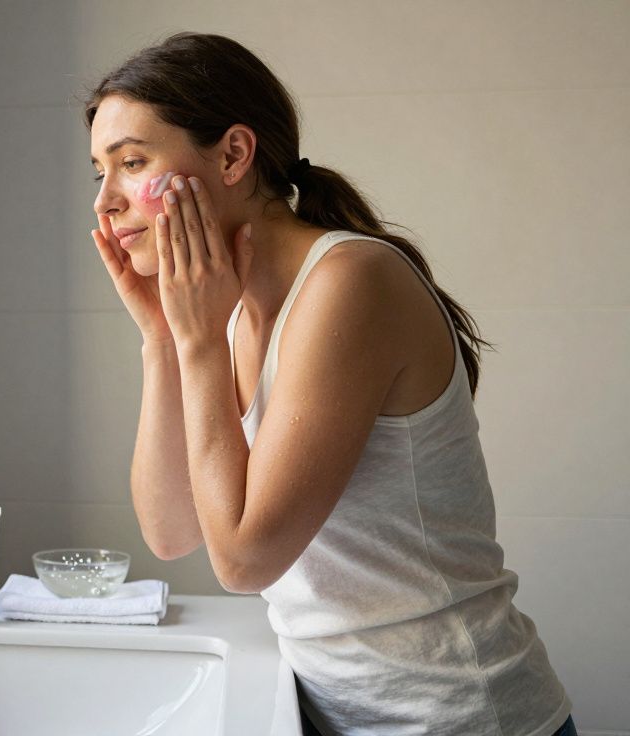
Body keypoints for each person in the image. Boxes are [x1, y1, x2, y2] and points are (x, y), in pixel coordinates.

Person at [86, 32, 575, 736]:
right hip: (336, 713)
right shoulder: (222, 311)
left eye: (132, 162)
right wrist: (164, 339)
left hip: (461, 718)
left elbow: (244, 558)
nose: (105, 200)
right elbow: (170, 531)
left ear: (232, 155)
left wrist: (196, 346)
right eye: (98, 171)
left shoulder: (350, 283)